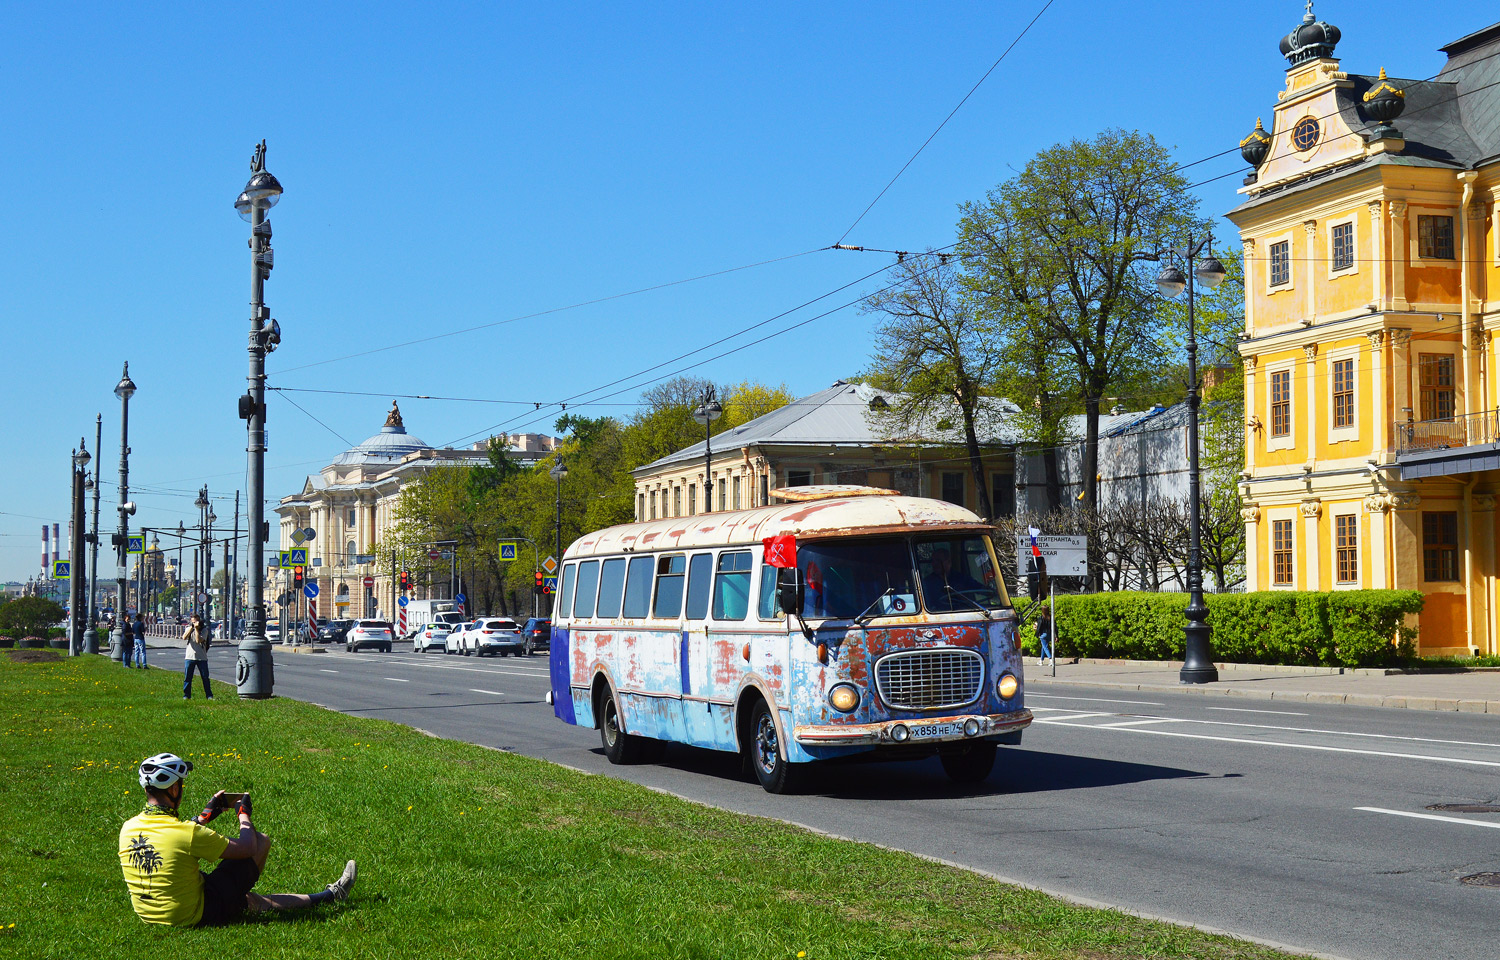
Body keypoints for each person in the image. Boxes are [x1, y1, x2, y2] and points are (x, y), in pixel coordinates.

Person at [119, 753, 356, 927]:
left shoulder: (127, 828)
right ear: (172, 790)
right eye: (180, 785)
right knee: (261, 842)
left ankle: (328, 896)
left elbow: (172, 834)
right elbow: (249, 846)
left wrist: (203, 818)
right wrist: (244, 816)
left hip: (149, 913)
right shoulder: (186, 834)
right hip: (190, 915)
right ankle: (332, 895)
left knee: (250, 902)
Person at [182, 614, 212, 700]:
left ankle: (209, 695)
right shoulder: (189, 629)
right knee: (187, 678)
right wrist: (192, 627)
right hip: (189, 657)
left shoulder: (204, 630)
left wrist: (196, 629)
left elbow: (198, 640)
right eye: (193, 622)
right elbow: (184, 637)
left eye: (196, 621)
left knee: (205, 677)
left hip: (201, 657)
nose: (195, 623)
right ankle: (186, 695)